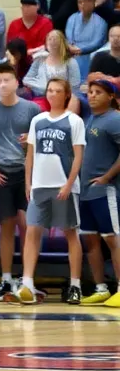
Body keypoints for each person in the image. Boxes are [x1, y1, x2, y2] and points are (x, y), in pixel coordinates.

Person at [16, 79, 85, 304]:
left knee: (70, 234)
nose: (53, 94)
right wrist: (28, 183)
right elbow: (30, 155)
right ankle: (27, 283)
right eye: (50, 90)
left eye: (57, 91)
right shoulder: (37, 120)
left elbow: (78, 157)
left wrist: (68, 184)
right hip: (39, 186)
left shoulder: (74, 121)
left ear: (66, 95)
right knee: (33, 232)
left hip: (63, 185)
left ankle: (75, 285)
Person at [0, 64, 41, 299]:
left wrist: (28, 144)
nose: (2, 85)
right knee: (6, 226)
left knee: (27, 224)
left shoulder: (32, 109)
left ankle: (28, 278)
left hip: (26, 174)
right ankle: (5, 279)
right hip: (0, 175)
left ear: (17, 82)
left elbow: (40, 144)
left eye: (6, 80)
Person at [78, 79, 120, 307]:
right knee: (90, 240)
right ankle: (101, 288)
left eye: (98, 92)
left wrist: (105, 177)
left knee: (113, 239)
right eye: (90, 92)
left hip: (106, 191)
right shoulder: (89, 120)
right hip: (85, 192)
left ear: (111, 96)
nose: (92, 96)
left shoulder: (115, 119)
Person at [66, 0, 108, 80]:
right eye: (80, 2)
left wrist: (81, 50)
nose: (83, 5)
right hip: (72, 50)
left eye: (86, 2)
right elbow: (68, 36)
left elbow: (97, 42)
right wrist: (70, 46)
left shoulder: (101, 22)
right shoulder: (72, 18)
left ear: (93, 3)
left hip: (90, 54)